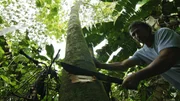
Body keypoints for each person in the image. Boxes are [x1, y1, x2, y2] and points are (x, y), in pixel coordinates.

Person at [94, 21, 180, 90]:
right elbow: (122, 65)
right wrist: (100, 65)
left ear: (147, 28)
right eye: (133, 35)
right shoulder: (142, 52)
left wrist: (137, 76)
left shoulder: (162, 33)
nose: (137, 36)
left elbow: (167, 58)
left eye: (138, 31)